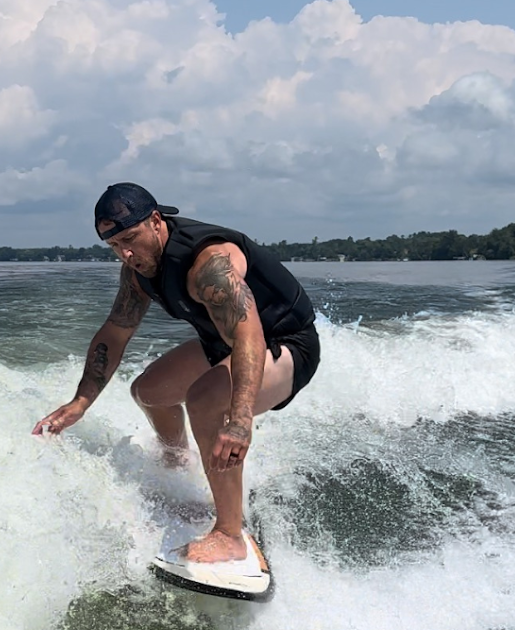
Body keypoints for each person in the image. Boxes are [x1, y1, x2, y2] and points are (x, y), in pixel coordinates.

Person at [33, 183, 320, 564]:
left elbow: (248, 335)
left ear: (155, 221)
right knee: (150, 391)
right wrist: (81, 402)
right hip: (221, 343)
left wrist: (239, 420)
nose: (127, 253)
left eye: (131, 239)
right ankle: (179, 467)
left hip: (283, 345)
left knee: (205, 400)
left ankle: (230, 534)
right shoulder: (137, 271)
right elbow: (114, 333)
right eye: (115, 245)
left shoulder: (209, 265)